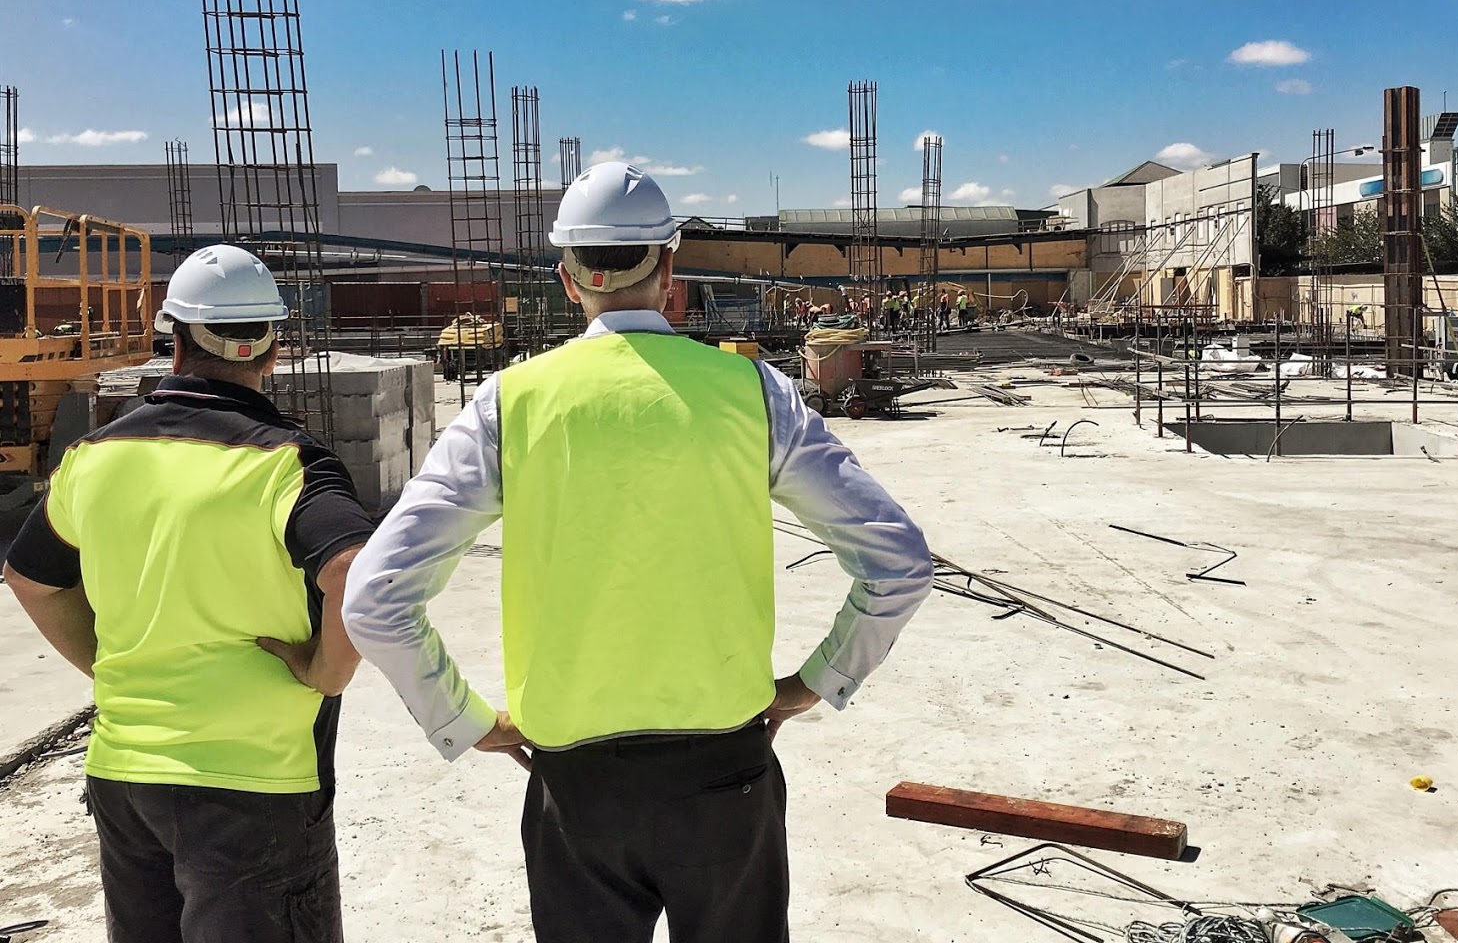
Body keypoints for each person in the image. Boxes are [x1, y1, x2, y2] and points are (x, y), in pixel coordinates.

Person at [343, 162, 932, 943]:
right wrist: (816, 681)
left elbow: (375, 598)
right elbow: (899, 560)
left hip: (573, 783)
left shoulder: (511, 403)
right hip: (723, 772)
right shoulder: (750, 392)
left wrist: (461, 718)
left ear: (567, 279)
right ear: (670, 268)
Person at [3, 244, 373, 943]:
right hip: (253, 787)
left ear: (172, 341)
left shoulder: (92, 460)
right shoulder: (286, 463)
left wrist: (117, 662)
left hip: (126, 779)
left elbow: (29, 578)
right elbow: (353, 570)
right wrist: (325, 670)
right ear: (270, 349)